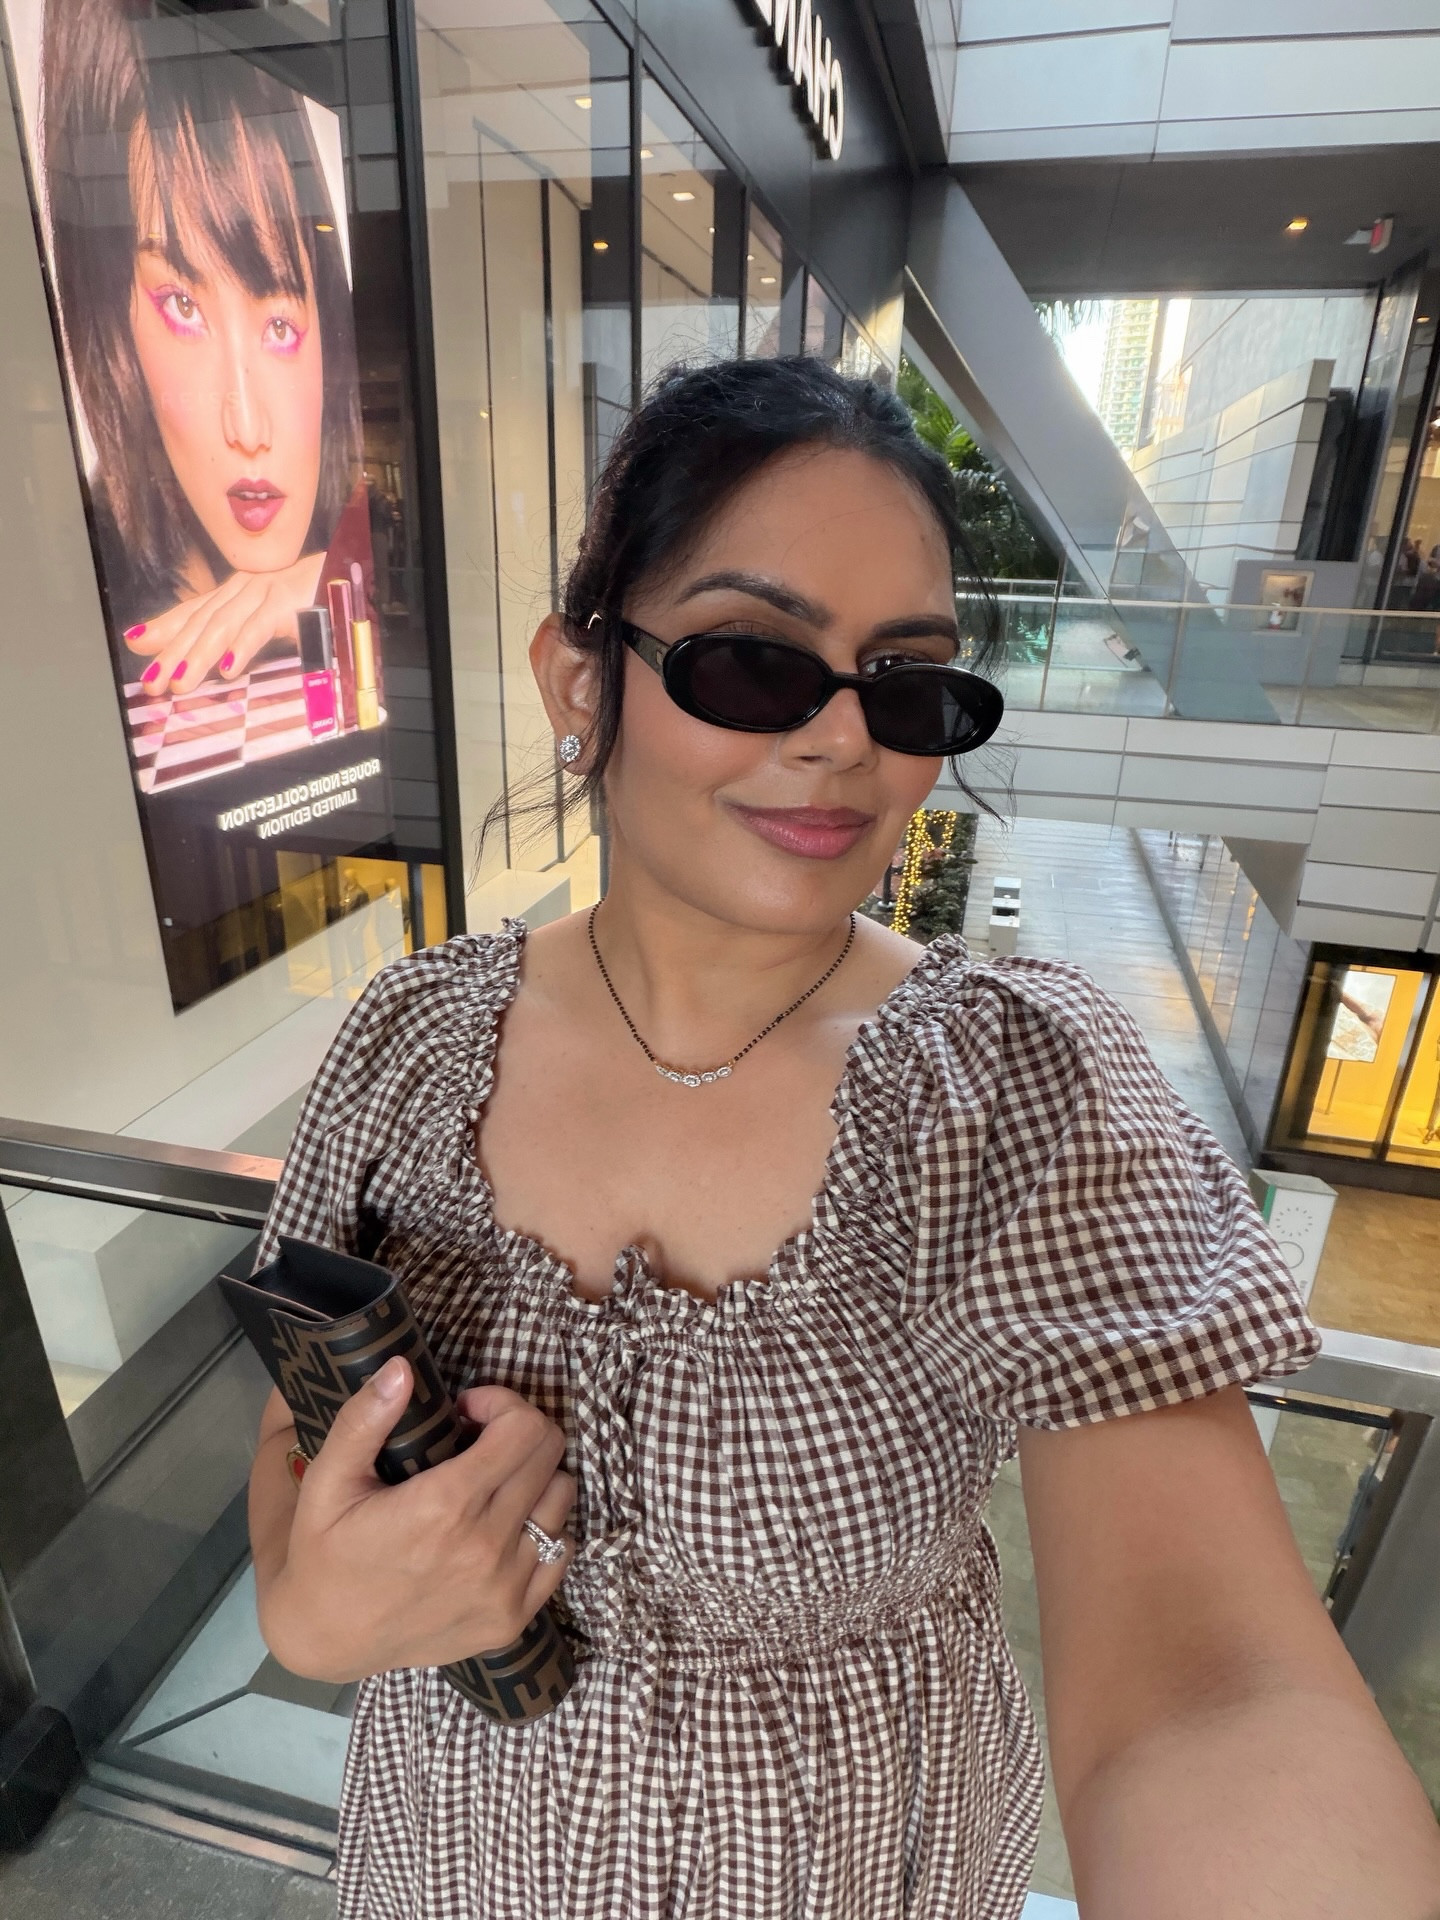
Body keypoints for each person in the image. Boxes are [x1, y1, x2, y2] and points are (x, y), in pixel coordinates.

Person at [246, 359, 1440, 1919]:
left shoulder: (1012, 1091)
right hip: (442, 1861)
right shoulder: (407, 1047)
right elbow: (302, 1427)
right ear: (578, 683)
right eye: (752, 663)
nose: (840, 742)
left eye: (908, 684)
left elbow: (1204, 1689)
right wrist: (309, 1615)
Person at [41, 0, 368, 698]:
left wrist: (335, 580)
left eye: (280, 324)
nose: (246, 428)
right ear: (116, 326)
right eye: (183, 307)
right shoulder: (72, 608)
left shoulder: (371, 528)